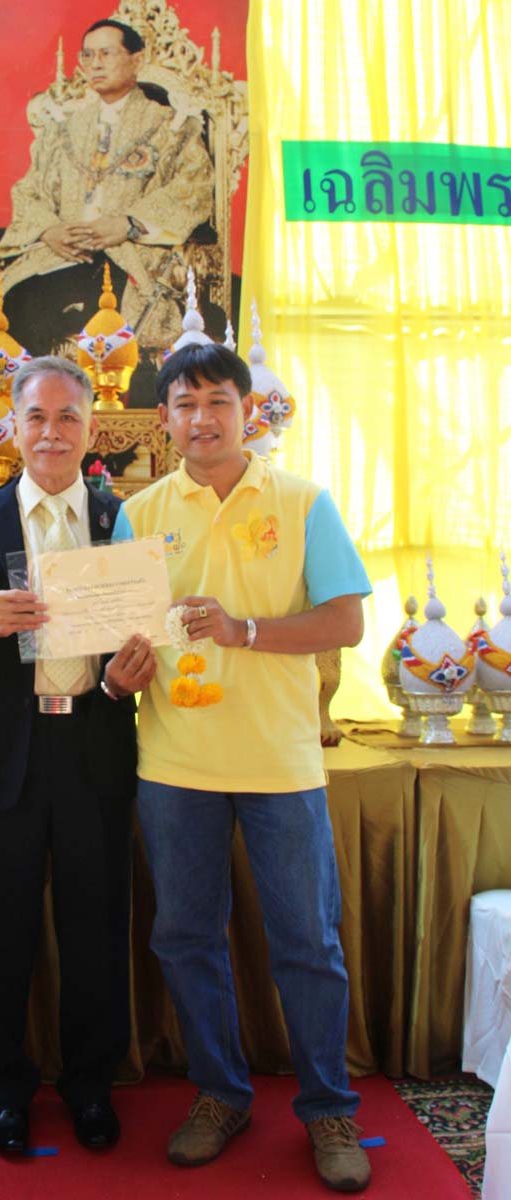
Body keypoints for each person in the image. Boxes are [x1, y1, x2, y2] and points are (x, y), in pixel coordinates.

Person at [112, 343, 373, 1193]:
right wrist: (120, 672)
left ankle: (328, 1107)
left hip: (280, 761)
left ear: (247, 410)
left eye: (218, 401)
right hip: (175, 762)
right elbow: (120, 638)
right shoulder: (138, 514)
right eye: (185, 405)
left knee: (308, 943)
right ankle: (220, 1095)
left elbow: (345, 622)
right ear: (164, 420)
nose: (203, 419)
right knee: (185, 937)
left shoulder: (303, 503)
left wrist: (244, 630)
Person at [0, 355, 156, 1156]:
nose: (52, 433)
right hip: (5, 760)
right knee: (0, 934)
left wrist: (126, 677)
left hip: (95, 748)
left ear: (90, 429)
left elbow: (145, 625)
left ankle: (91, 1087)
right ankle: (3, 1093)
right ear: (14, 427)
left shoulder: (120, 519)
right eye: (37, 417)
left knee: (96, 930)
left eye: (68, 418)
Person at [0, 18, 214, 357]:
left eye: (106, 54)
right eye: (87, 55)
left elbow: (193, 187)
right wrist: (49, 230)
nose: (95, 64)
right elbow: (29, 192)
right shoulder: (64, 129)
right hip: (61, 253)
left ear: (137, 59)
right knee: (9, 307)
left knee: (78, 310)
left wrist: (128, 224)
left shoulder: (170, 126)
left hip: (129, 254)